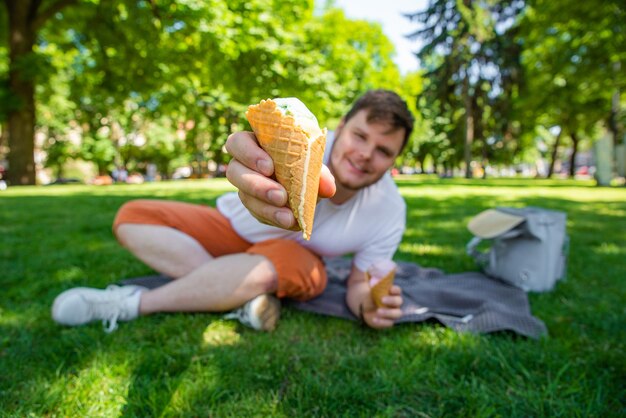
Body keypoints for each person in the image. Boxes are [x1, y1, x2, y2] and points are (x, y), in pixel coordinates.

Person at [52, 89, 415, 332]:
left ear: (395, 160)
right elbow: (253, 146)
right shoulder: (305, 141)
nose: (366, 154)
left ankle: (133, 303)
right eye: (360, 136)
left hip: (294, 262)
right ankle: (239, 295)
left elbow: (356, 285)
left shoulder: (389, 210)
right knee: (132, 216)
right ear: (340, 128)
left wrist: (369, 307)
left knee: (293, 260)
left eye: (384, 151)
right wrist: (253, 156)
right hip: (228, 228)